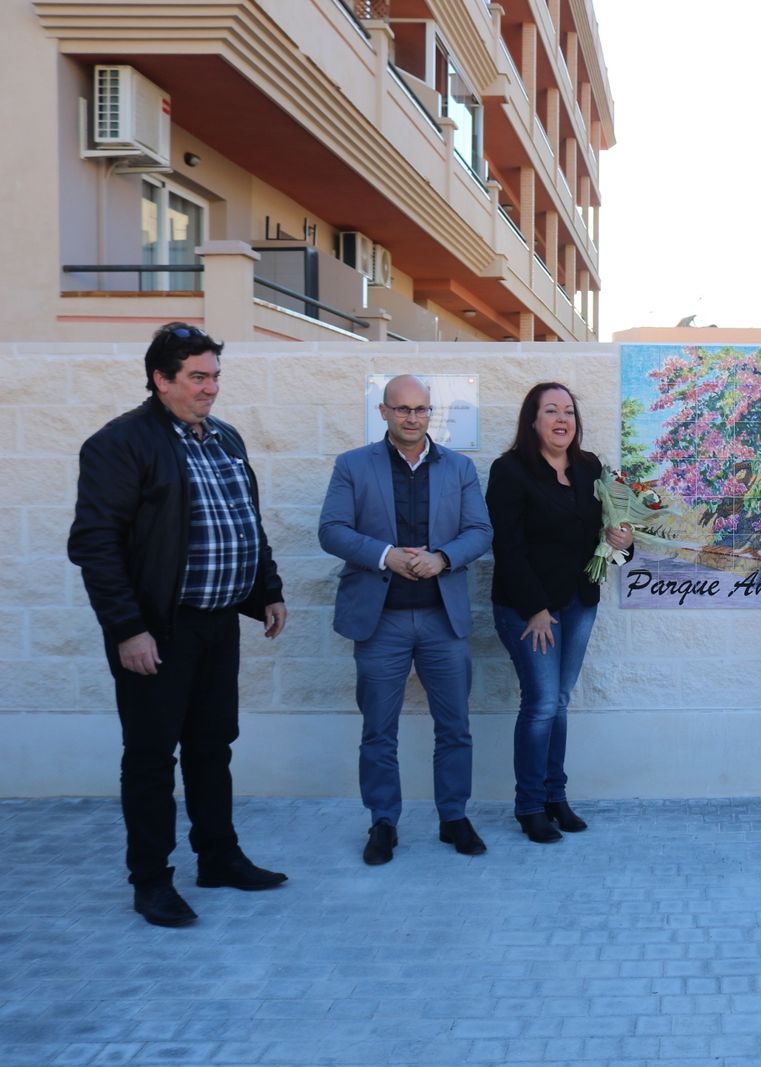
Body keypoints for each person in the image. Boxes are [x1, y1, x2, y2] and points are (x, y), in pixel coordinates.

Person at [67, 322, 289, 928]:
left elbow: (246, 521)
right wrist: (127, 628)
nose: (210, 388)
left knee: (213, 746)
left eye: (215, 376)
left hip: (218, 624)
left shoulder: (224, 438)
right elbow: (95, 545)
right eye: (197, 377)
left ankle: (218, 858)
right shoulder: (119, 444)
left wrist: (267, 590)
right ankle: (151, 881)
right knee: (150, 757)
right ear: (161, 380)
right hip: (157, 630)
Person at [318, 374, 493, 865]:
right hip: (381, 622)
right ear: (384, 412)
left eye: (420, 409)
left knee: (455, 727)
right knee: (379, 730)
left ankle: (453, 817)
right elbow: (331, 530)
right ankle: (383, 822)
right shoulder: (353, 465)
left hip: (442, 620)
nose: (412, 418)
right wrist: (385, 555)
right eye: (401, 409)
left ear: (430, 412)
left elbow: (480, 530)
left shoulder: (459, 467)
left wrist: (443, 557)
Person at [486, 383, 631, 843]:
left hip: (579, 603)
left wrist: (624, 541)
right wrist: (535, 609)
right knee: (542, 702)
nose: (561, 419)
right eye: (551, 411)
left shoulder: (590, 468)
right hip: (528, 609)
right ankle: (529, 806)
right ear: (533, 420)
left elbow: (610, 528)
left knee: (560, 701)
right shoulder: (510, 470)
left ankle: (555, 797)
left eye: (568, 410)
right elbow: (507, 547)